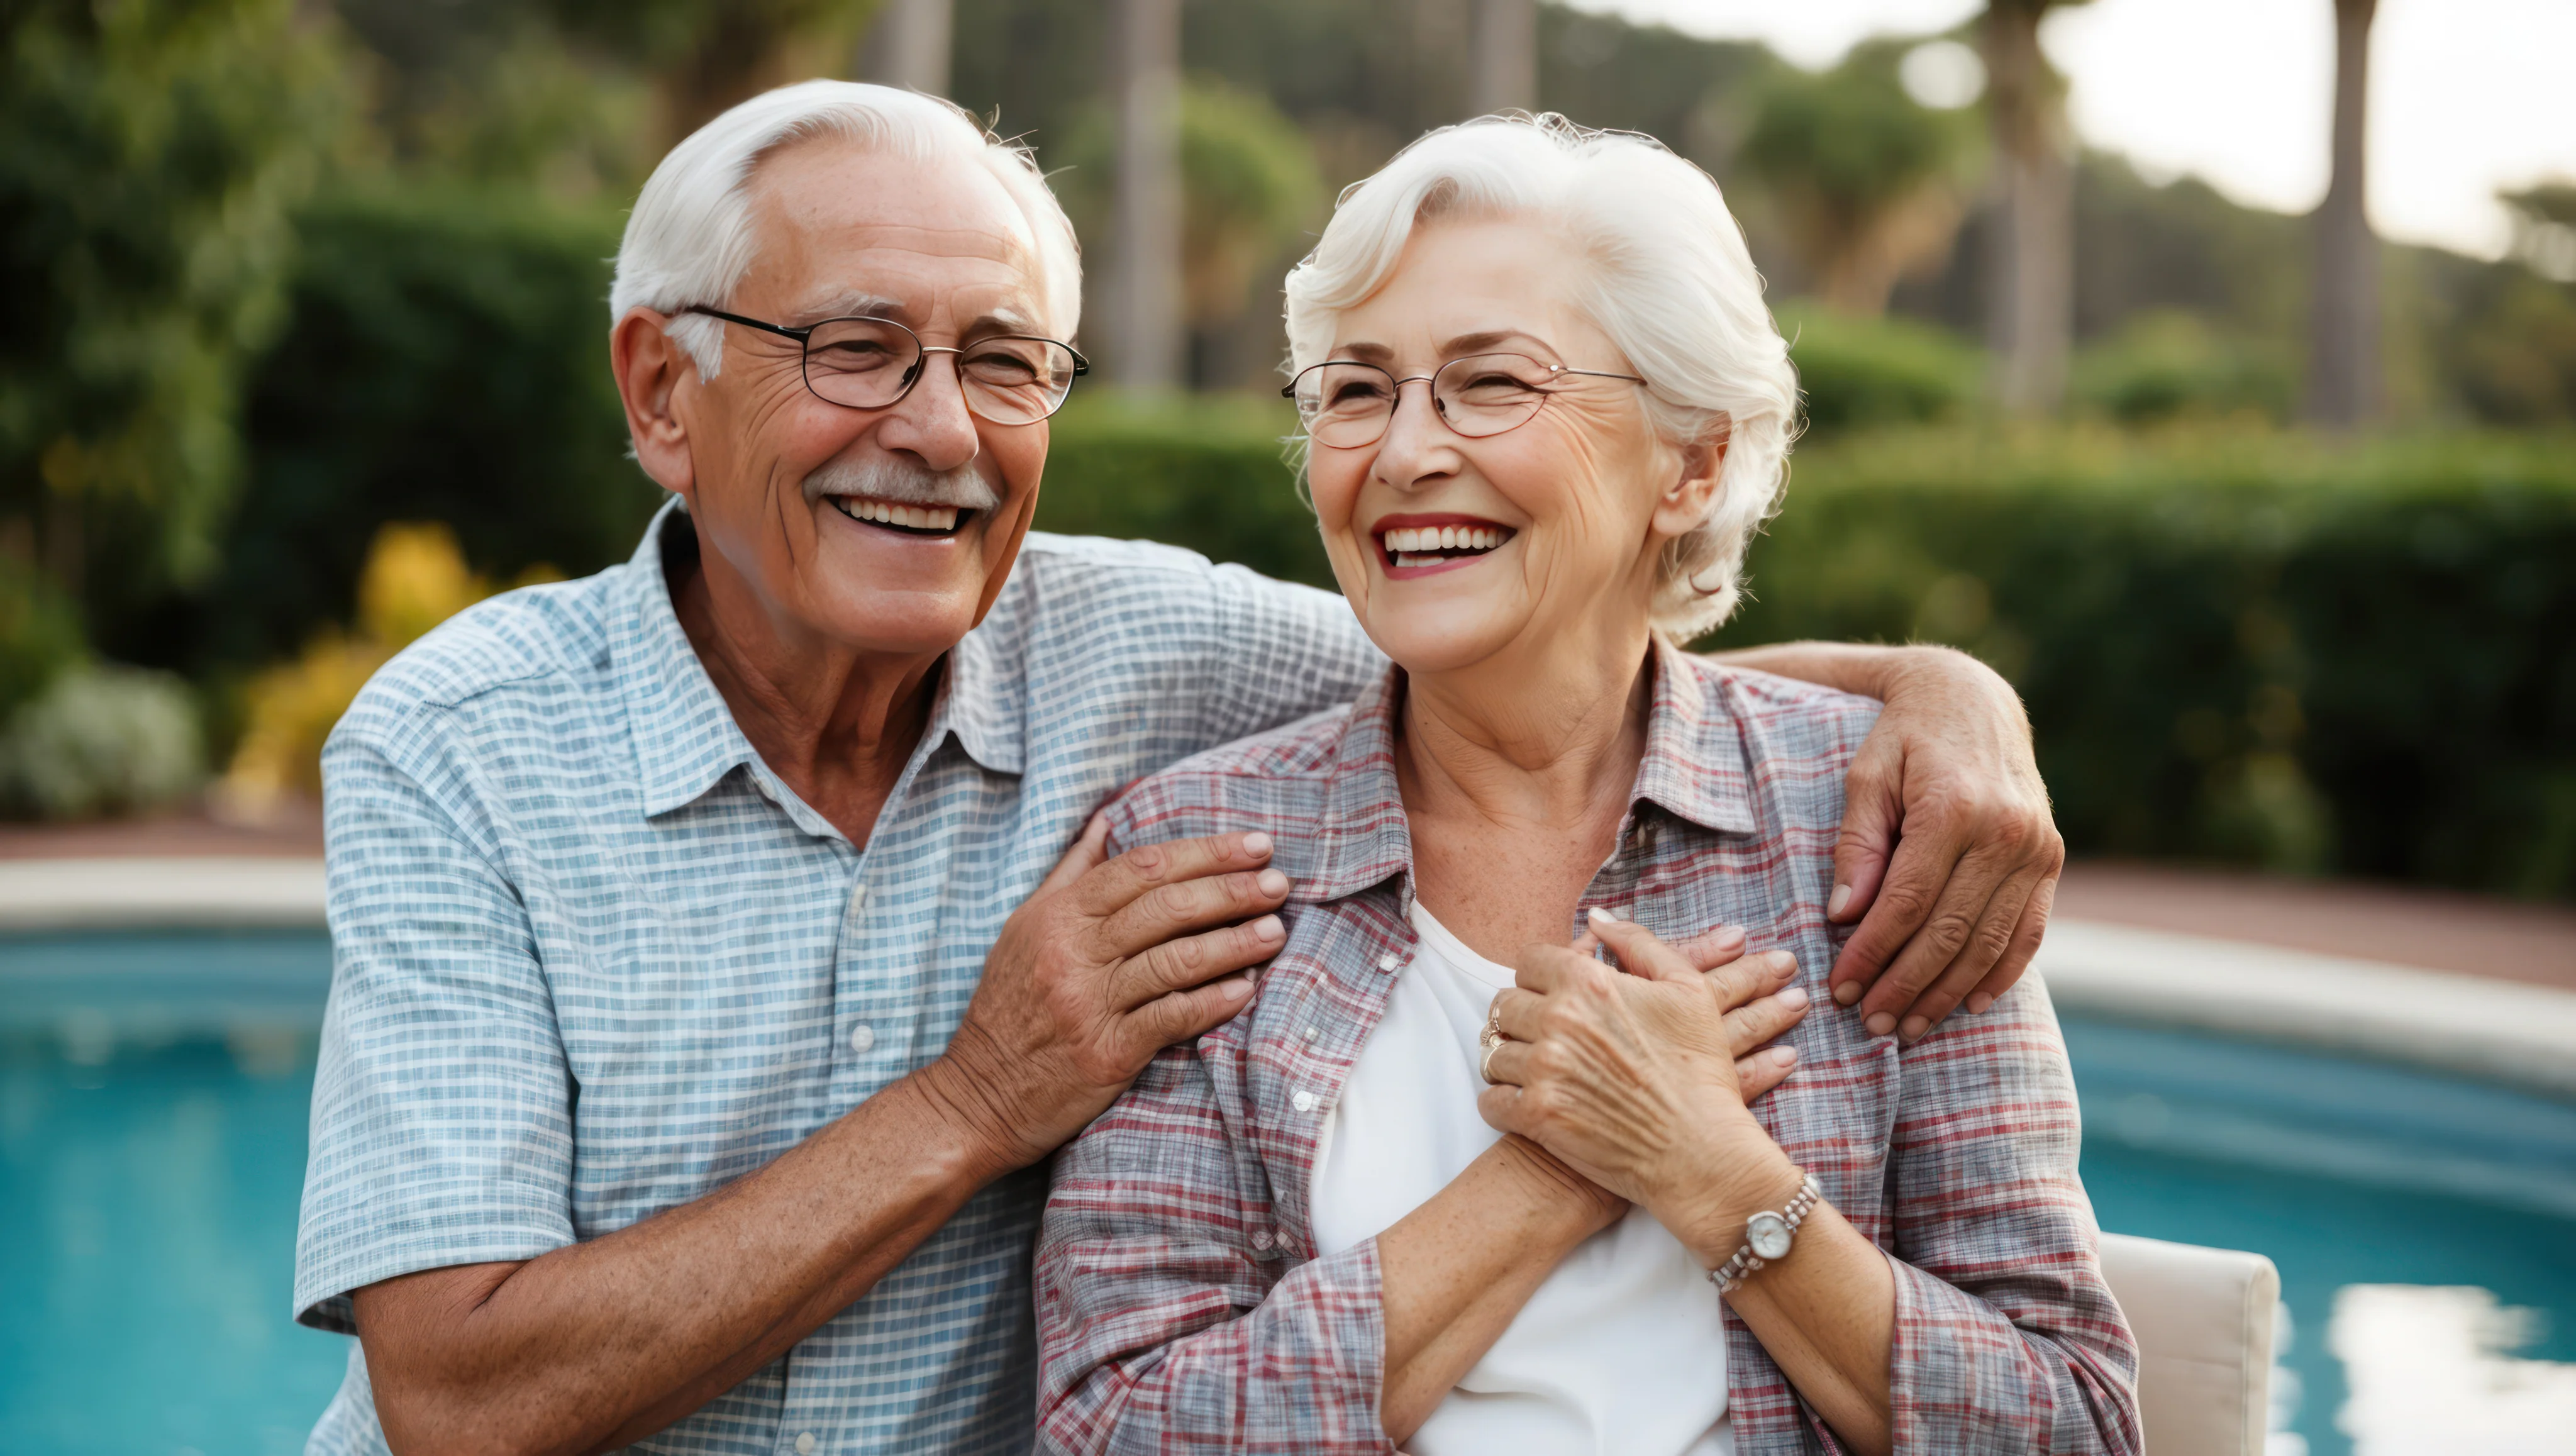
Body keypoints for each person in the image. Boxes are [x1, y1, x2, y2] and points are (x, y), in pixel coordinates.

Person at [293, 85, 2066, 1455]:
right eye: (854, 346)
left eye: (1002, 362)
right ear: (662, 394)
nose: (935, 427)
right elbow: (456, 1399)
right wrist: (979, 1103)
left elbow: (1525, 644)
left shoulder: (1161, 658)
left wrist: (1938, 688)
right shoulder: (466, 746)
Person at [1035, 115, 2138, 1456]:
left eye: (1489, 383)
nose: (1399, 452)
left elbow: (2068, 1422)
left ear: (1690, 461)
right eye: (1354, 388)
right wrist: (1554, 1167)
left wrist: (1709, 1167)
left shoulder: (1875, 828)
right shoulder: (1195, 851)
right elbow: (1114, 1426)